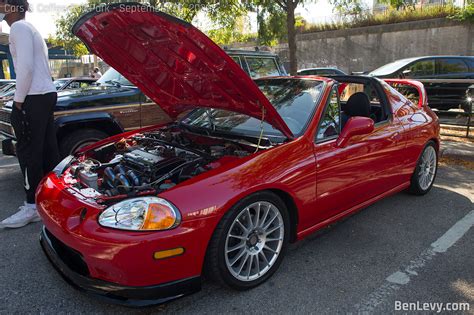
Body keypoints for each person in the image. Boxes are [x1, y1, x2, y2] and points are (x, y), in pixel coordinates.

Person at [0, 0, 59, 229]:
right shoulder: (31, 28)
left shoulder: (18, 28)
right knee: (47, 149)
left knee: (27, 153)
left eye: (3, 3)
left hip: (33, 96)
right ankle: (50, 200)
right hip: (45, 94)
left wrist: (17, 102)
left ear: (14, 7)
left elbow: (25, 68)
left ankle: (31, 206)